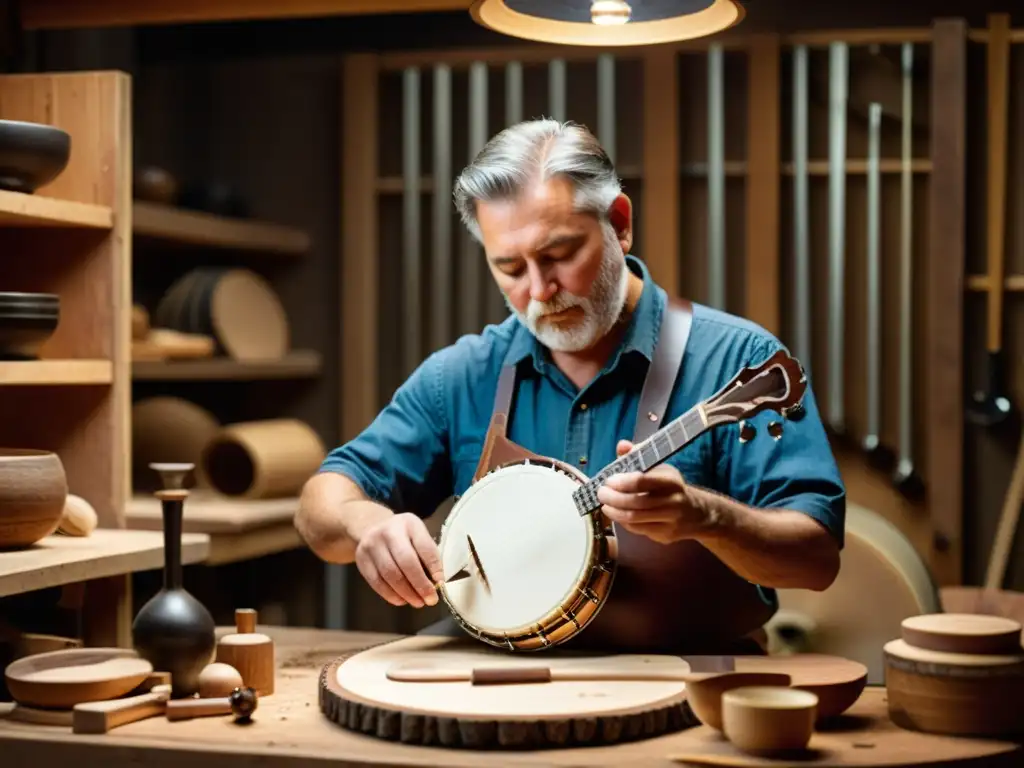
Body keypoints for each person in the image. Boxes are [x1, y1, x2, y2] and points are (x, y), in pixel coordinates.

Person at [295, 119, 845, 651]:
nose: (539, 290)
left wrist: (707, 517)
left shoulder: (737, 359)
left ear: (620, 223)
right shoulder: (462, 374)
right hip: (501, 673)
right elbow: (320, 508)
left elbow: (817, 560)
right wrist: (364, 522)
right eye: (509, 268)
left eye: (558, 255)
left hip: (693, 680)